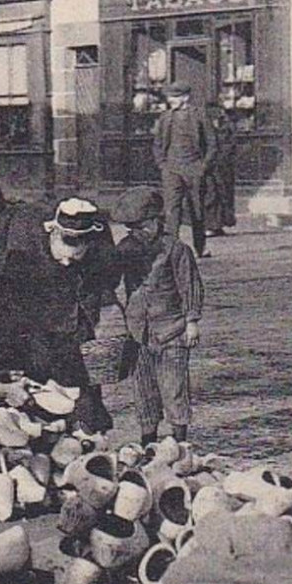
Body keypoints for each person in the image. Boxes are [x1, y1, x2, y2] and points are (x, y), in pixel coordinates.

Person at [0, 198, 108, 431]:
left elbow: (93, 292)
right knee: (20, 360)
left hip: (55, 307)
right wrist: (11, 368)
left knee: (71, 372)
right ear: (53, 234)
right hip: (12, 303)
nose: (68, 263)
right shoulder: (21, 252)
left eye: (75, 258)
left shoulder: (98, 242)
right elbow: (8, 316)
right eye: (63, 257)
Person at [110, 187, 205, 445]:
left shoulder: (176, 249)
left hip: (172, 331)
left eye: (141, 226)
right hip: (138, 333)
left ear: (155, 221)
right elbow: (110, 279)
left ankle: (179, 440)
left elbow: (190, 286)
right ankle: (148, 441)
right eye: (131, 228)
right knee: (143, 390)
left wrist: (192, 321)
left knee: (173, 388)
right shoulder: (125, 249)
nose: (136, 233)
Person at [152, 81, 213, 257]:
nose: (170, 100)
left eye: (174, 97)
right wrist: (163, 165)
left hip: (194, 169)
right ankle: (171, 249)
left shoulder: (200, 115)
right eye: (170, 97)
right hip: (172, 170)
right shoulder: (165, 117)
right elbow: (157, 144)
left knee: (197, 210)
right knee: (172, 210)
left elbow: (213, 144)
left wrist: (203, 167)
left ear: (185, 97)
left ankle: (200, 248)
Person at [204, 105, 238, 236]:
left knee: (224, 194)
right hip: (211, 165)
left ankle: (219, 224)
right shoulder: (207, 128)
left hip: (223, 165)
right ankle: (211, 225)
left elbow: (231, 144)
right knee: (211, 195)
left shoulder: (227, 127)